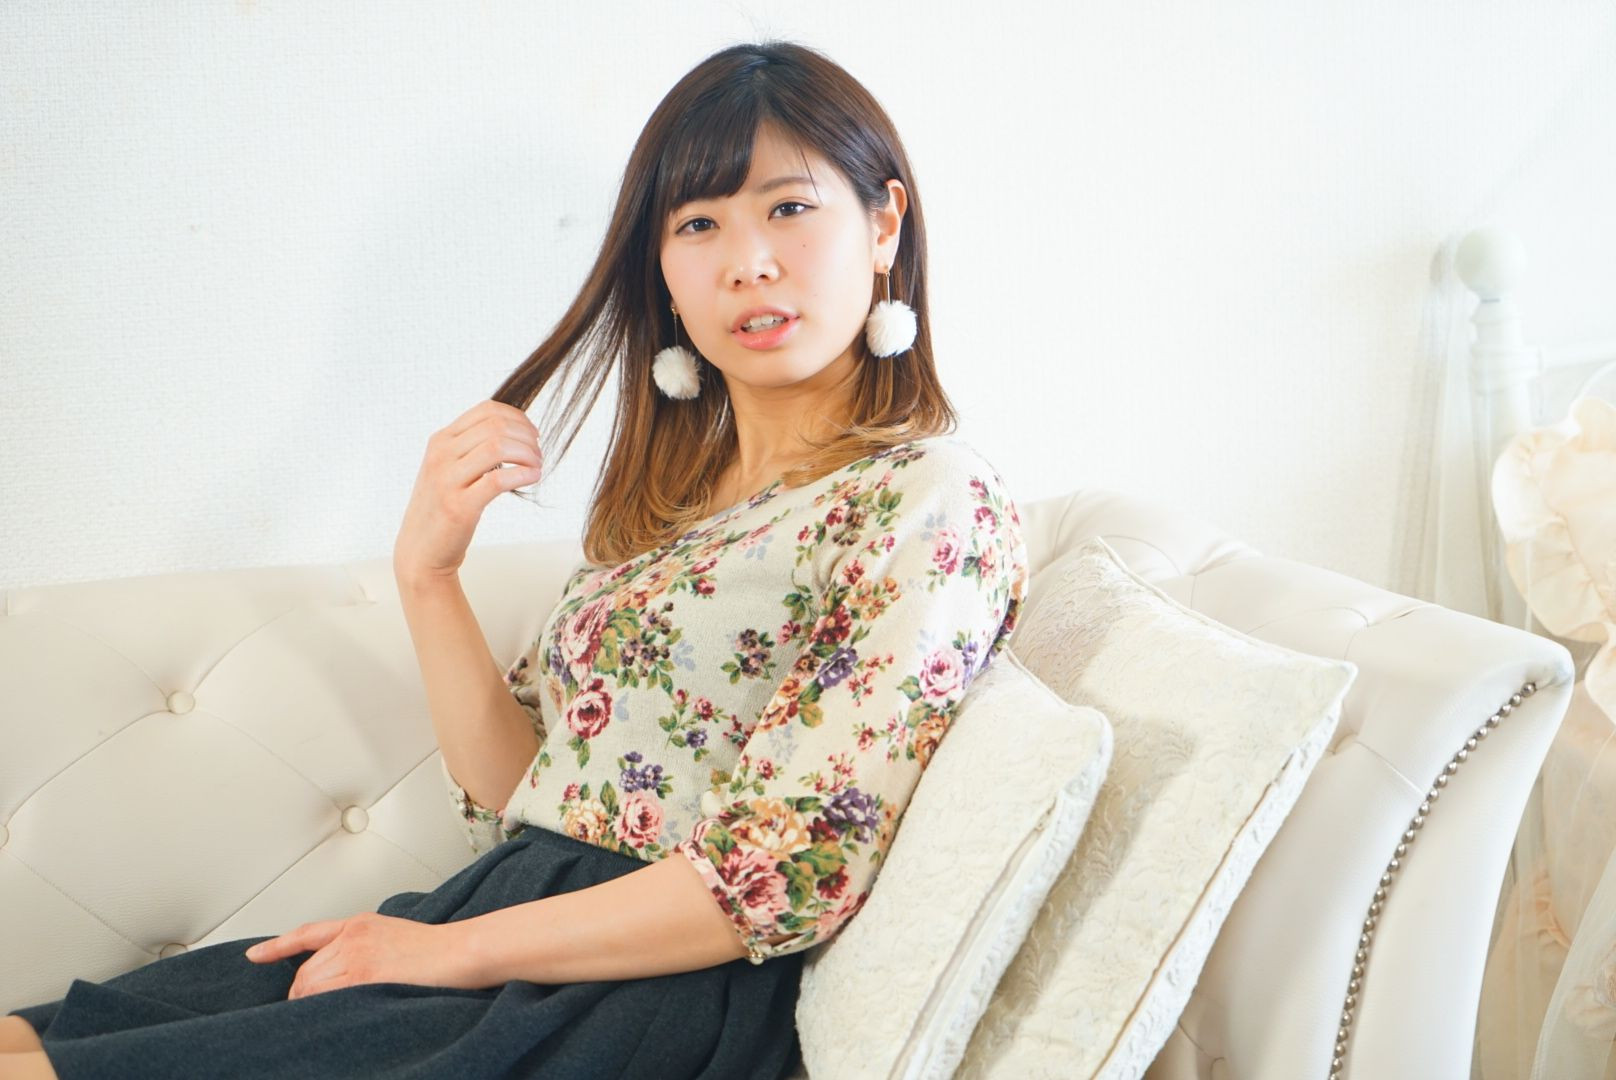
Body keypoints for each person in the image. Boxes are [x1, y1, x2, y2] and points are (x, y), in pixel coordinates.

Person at [1, 38, 1027, 1080]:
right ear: (665, 274)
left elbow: (786, 869)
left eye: (789, 208)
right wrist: (427, 572)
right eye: (698, 224)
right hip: (506, 925)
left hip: (648, 994)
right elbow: (522, 792)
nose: (748, 261)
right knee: (39, 1036)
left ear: (883, 225)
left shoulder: (925, 496)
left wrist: (451, 953)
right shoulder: (670, 512)